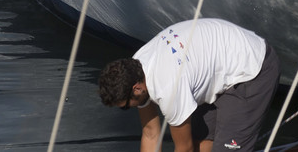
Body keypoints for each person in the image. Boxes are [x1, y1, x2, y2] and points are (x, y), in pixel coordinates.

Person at [98, 17, 279, 152]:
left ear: (136, 88)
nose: (128, 109)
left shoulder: (168, 88)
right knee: (197, 140)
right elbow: (150, 134)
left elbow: (184, 149)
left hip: (251, 70)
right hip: (218, 68)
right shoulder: (137, 67)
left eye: (125, 107)